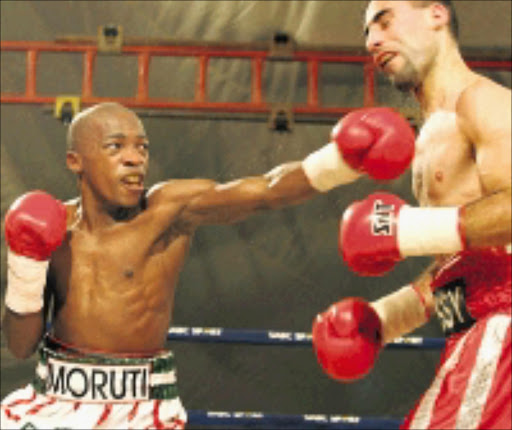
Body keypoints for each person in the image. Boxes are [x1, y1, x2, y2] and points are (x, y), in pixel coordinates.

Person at [0, 100, 415, 429]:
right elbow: (20, 346)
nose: (134, 159)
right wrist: (25, 264)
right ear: (76, 162)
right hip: (54, 400)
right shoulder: (51, 229)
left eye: (141, 147)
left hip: (139, 409)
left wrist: (342, 162)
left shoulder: (169, 211)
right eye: (116, 147)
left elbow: (265, 190)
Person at [311, 1, 511, 429]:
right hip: (474, 334)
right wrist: (386, 319)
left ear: (436, 16)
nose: (372, 40)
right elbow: (462, 266)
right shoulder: (430, 136)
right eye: (367, 32)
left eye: (384, 21)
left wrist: (406, 229)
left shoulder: (482, 103)